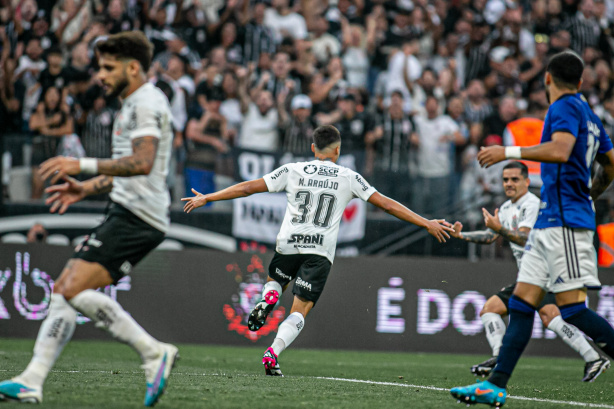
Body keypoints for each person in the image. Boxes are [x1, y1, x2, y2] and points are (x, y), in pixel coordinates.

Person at [182, 125, 454, 376]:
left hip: (288, 243)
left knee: (276, 281)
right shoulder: (349, 177)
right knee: (299, 310)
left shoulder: (292, 170)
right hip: (319, 252)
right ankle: (273, 352)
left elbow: (247, 188)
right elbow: (387, 205)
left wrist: (209, 197)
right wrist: (425, 222)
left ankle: (269, 299)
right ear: (337, 150)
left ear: (312, 148)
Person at [0, 31, 178, 407]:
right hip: (126, 210)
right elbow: (126, 169)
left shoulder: (147, 102)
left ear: (134, 67)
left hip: (139, 218)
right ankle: (33, 379)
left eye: (109, 68)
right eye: (100, 67)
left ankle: (153, 353)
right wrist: (86, 187)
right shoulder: (131, 102)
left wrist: (80, 164)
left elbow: (143, 162)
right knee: (66, 289)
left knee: (69, 288)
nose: (101, 75)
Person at [450, 50, 614, 407]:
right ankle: (494, 386)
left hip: (566, 223)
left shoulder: (565, 107)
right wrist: (591, 192)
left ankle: (598, 354)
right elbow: (610, 164)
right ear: (582, 81)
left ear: (547, 79)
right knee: (524, 303)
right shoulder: (592, 116)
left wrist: (506, 149)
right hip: (552, 221)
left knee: (571, 309)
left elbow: (560, 149)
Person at [451, 161, 605, 381]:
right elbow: (490, 236)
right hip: (529, 275)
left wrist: (500, 229)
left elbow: (525, 239)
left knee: (551, 315)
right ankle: (499, 357)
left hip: (545, 271)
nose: (509, 184)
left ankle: (593, 357)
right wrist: (462, 236)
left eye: (514, 179)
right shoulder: (506, 208)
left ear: (526, 181)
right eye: (505, 180)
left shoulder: (531, 205)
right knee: (491, 310)